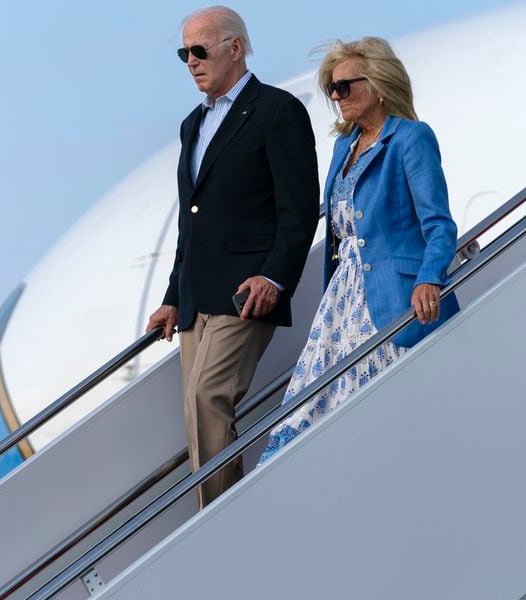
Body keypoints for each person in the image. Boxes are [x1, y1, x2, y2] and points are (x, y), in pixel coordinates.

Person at [146, 6, 319, 507]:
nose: (191, 63)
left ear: (235, 48)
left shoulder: (276, 111)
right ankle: (225, 516)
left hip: (247, 292)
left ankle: (218, 523)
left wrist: (275, 277)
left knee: (208, 398)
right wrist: (173, 296)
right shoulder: (191, 125)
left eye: (199, 51)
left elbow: (299, 208)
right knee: (197, 413)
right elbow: (191, 221)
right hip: (198, 294)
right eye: (184, 54)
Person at [259, 37, 459, 465]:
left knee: (387, 412)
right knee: (314, 409)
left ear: (378, 84)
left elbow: (438, 223)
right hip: (342, 300)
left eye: (345, 87)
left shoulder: (410, 139)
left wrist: (429, 277)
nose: (335, 97)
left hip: (395, 295)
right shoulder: (342, 148)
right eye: (332, 88)